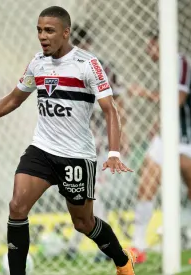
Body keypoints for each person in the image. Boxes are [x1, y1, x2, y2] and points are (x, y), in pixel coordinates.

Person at [0, 6, 137, 275]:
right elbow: (13, 100)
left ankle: (122, 261)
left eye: (49, 31)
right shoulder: (37, 63)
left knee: (83, 222)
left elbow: (110, 109)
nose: (42, 36)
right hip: (42, 149)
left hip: (76, 156)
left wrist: (114, 152)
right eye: (39, 30)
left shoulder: (87, 65)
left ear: (66, 33)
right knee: (17, 206)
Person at [128, 31, 191, 265]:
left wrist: (144, 94)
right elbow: (170, 108)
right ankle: (138, 245)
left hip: (188, 140)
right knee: (146, 181)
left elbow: (176, 100)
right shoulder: (167, 68)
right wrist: (157, 125)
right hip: (165, 136)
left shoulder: (182, 63)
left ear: (163, 44)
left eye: (152, 46)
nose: (149, 52)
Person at [65, 24, 126, 263]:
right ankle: (74, 244)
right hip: (73, 144)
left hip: (98, 144)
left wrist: (121, 140)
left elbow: (118, 106)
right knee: (77, 194)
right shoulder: (60, 69)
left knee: (94, 193)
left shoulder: (102, 68)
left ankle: (94, 247)